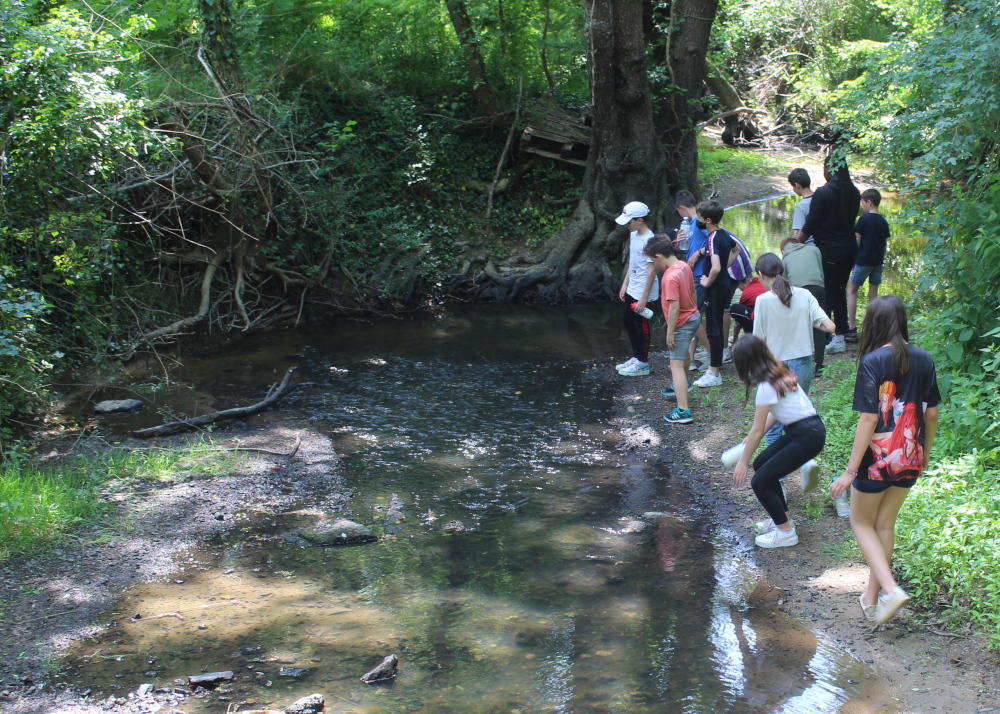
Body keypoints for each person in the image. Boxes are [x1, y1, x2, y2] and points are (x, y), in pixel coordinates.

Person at [830, 295, 939, 628]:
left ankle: (890, 590)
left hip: (877, 461)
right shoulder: (925, 358)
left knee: (861, 523)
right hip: (910, 456)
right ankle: (872, 598)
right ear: (902, 321)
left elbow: (868, 420)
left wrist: (850, 471)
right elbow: (931, 413)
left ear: (873, 324)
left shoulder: (873, 361)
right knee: (884, 525)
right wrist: (925, 453)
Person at [730, 335, 827, 548]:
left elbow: (756, 430)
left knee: (759, 481)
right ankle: (784, 519)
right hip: (808, 430)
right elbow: (772, 415)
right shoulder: (779, 373)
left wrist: (742, 462)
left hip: (806, 435)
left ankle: (785, 533)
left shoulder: (766, 384)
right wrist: (758, 434)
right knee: (762, 465)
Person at [799, 156, 861, 355]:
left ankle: (824, 336)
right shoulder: (853, 192)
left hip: (829, 249)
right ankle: (840, 334)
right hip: (850, 248)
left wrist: (796, 243)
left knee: (826, 292)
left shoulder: (823, 193)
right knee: (839, 290)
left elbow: (812, 222)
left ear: (828, 169)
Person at [645, 236, 700, 424]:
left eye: (653, 260)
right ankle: (685, 383)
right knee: (682, 354)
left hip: (681, 322)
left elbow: (674, 307)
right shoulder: (684, 266)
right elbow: (693, 291)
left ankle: (683, 411)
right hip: (693, 317)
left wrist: (670, 331)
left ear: (659, 256)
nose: (655, 264)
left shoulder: (669, 276)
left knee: (675, 365)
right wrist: (695, 308)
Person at [694, 200, 742, 388]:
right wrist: (724, 269)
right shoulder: (723, 234)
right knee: (715, 326)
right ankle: (715, 366)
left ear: (707, 219)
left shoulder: (713, 238)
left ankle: (714, 372)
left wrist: (709, 280)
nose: (697, 220)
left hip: (715, 287)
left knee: (713, 329)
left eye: (699, 217)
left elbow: (714, 267)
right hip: (722, 283)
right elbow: (736, 249)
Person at [614, 201, 660, 377]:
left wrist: (644, 298)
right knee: (627, 320)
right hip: (632, 286)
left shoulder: (650, 240)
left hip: (644, 289)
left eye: (629, 221)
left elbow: (652, 270)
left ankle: (643, 363)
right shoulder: (633, 234)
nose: (626, 225)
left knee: (641, 325)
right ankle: (635, 356)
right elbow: (633, 262)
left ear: (640, 220)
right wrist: (625, 283)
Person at [781, 231, 828, 378]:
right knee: (819, 325)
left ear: (783, 250)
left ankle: (800, 360)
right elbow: (820, 271)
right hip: (818, 287)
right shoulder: (815, 250)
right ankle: (819, 365)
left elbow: (784, 283)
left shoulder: (785, 259)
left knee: (798, 325)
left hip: (798, 291)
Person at [847, 189, 891, 341]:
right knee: (874, 295)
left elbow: (857, 242)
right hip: (877, 262)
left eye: (863, 203)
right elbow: (884, 245)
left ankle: (851, 327)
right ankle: (876, 327)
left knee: (851, 291)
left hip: (863, 260)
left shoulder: (864, 220)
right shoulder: (883, 221)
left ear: (869, 202)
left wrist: (852, 260)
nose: (863, 206)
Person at [674, 190, 712, 368]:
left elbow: (715, 240)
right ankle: (690, 358)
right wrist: (678, 244)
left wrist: (698, 253)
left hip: (699, 274)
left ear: (681, 207)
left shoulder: (699, 222)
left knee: (691, 315)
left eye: (678, 211)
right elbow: (689, 247)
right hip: (694, 273)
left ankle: (714, 353)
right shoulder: (691, 224)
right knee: (696, 314)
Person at [729, 274, 767, 343]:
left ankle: (752, 339)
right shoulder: (760, 280)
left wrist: (734, 339)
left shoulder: (746, 292)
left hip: (762, 323)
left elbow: (737, 324)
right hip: (771, 320)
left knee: (734, 309)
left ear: (740, 283)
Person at [788, 167, 814, 244]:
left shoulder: (800, 206)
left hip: (809, 246)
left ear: (797, 185)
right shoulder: (820, 198)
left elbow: (800, 234)